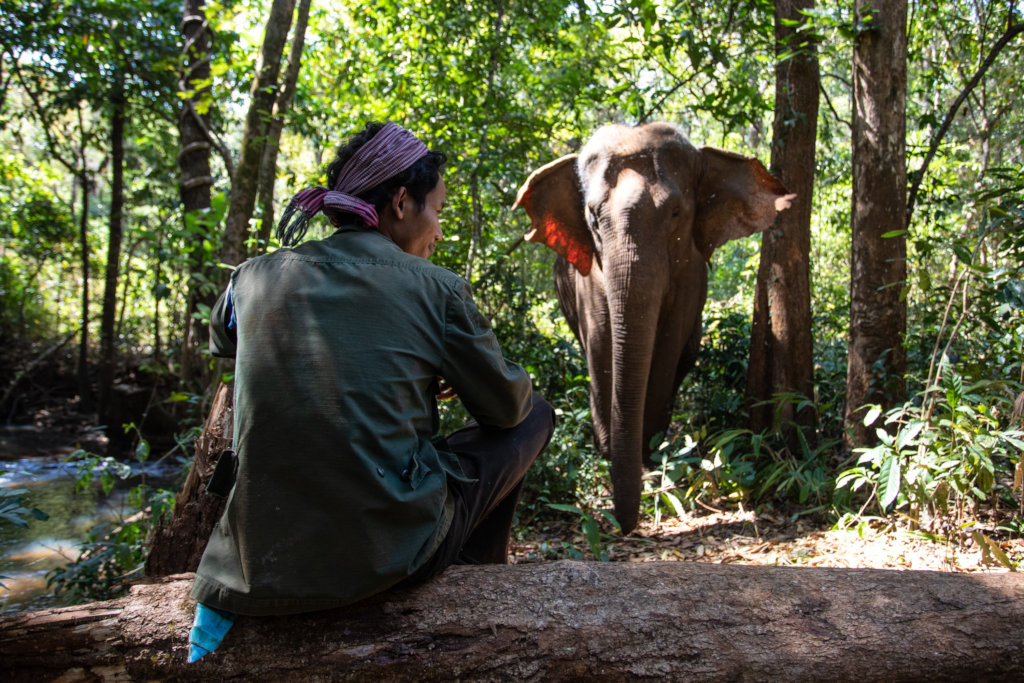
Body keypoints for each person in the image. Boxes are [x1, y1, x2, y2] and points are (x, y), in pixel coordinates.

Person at [188, 122, 554, 660]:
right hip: (388, 554)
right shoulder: (437, 289)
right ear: (402, 202)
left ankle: (475, 572)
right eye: (439, 212)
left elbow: (223, 335)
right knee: (534, 414)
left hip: (255, 557)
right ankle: (478, 574)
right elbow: (505, 408)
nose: (440, 230)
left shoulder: (252, 277)